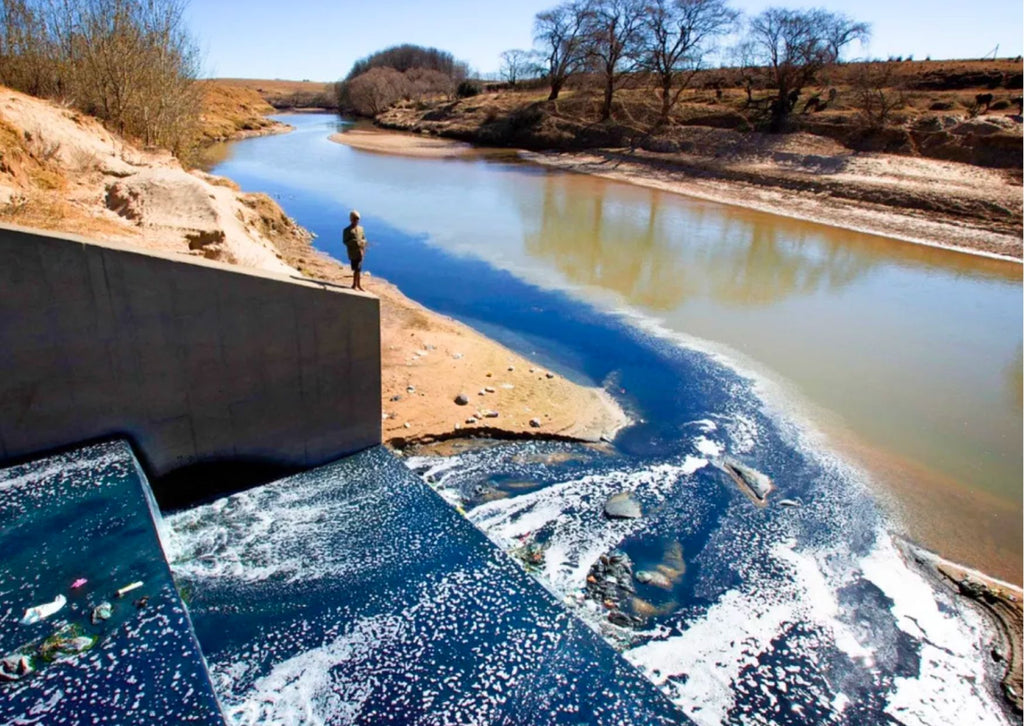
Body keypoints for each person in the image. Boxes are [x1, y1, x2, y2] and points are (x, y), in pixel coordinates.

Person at [342, 210, 368, 291]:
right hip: (353, 253)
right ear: (351, 219)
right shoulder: (347, 230)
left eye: (357, 219)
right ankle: (355, 284)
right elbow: (345, 241)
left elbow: (364, 238)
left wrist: (363, 243)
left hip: (360, 252)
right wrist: (354, 242)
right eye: (354, 219)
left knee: (359, 269)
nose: (356, 221)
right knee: (356, 269)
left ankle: (357, 284)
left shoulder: (361, 229)